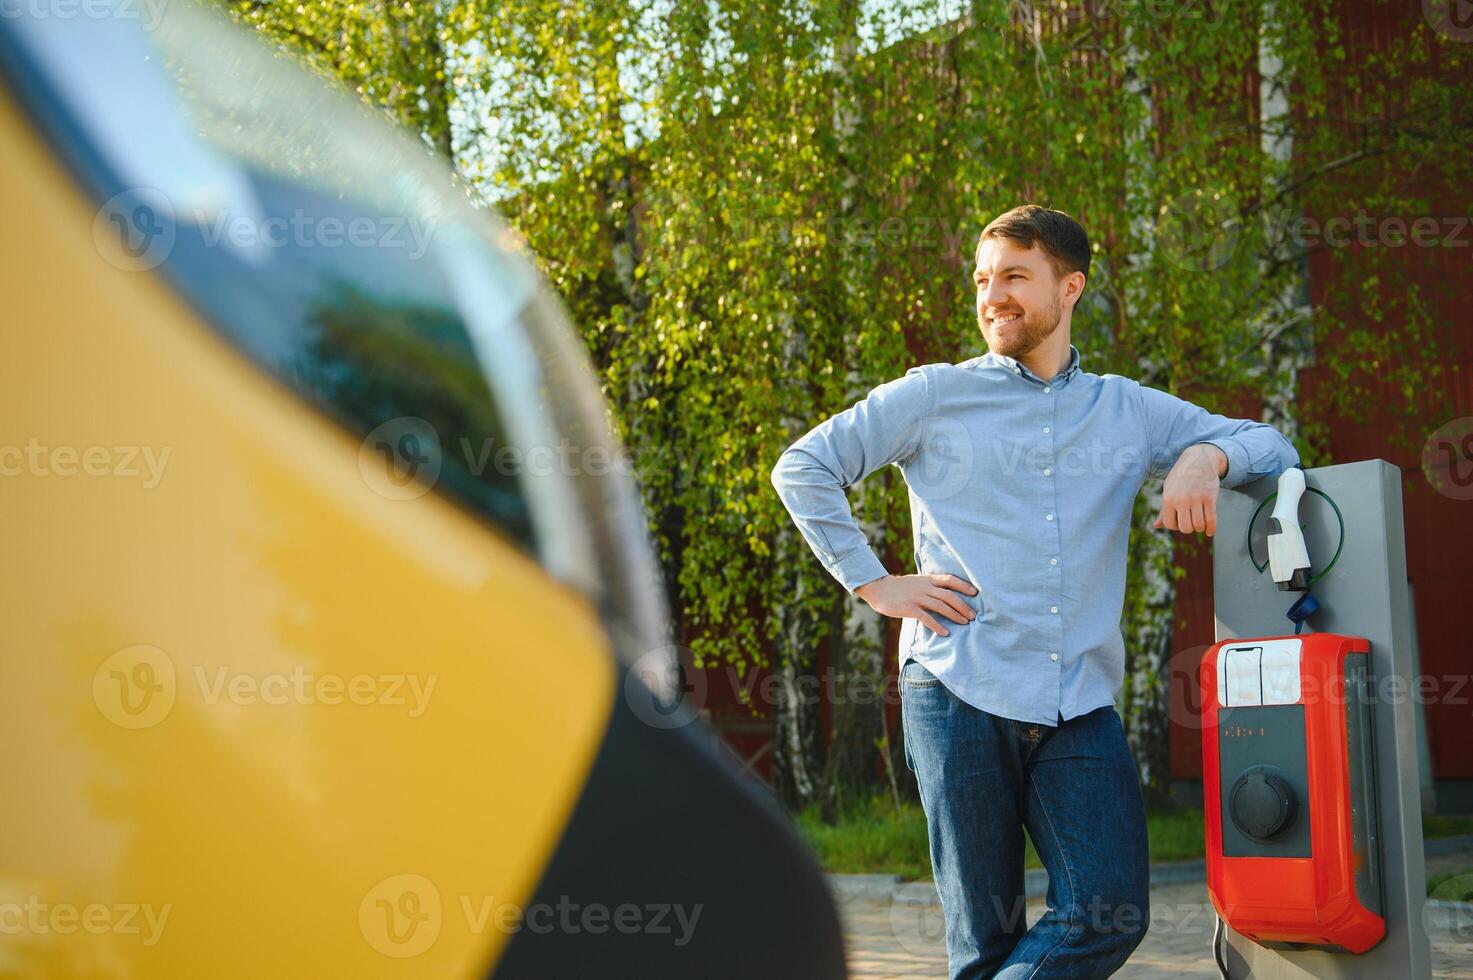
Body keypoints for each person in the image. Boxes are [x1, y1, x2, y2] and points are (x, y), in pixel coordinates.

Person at [770, 205, 1300, 979]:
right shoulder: (932, 395)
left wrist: (1204, 459)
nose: (993, 296)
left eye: (1015, 276)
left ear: (1070, 286)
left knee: (1107, 908)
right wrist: (874, 582)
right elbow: (803, 466)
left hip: (1076, 702)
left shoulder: (1126, 409)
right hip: (958, 688)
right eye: (983, 280)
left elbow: (1270, 444)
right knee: (982, 943)